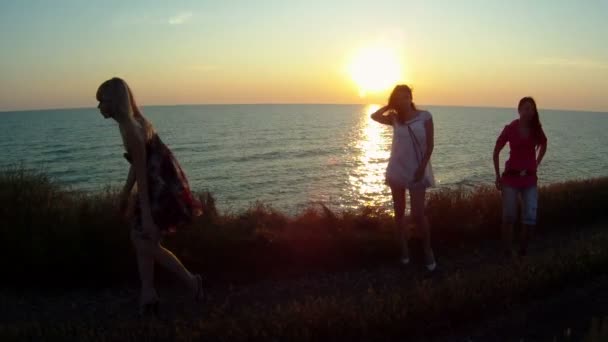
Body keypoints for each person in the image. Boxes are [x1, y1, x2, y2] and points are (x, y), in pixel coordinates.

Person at [96, 77, 204, 314]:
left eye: (101, 101)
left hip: (160, 188)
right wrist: (125, 193)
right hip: (160, 184)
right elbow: (137, 164)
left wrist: (146, 214)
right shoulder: (133, 124)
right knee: (144, 241)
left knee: (142, 238)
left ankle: (190, 282)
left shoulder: (131, 130)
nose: (99, 107)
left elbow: (143, 175)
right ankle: (149, 296)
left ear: (114, 102)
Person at [370, 85, 437, 272]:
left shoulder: (425, 116)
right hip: (397, 169)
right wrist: (388, 105)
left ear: (411, 97)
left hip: (417, 169)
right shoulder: (394, 119)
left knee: (418, 214)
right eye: (398, 98)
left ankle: (427, 250)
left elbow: (430, 145)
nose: (402, 100)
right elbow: (374, 116)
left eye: (405, 96)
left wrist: (422, 168)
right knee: (399, 213)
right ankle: (404, 250)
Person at [493, 97, 548, 257]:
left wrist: (537, 162)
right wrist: (497, 176)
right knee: (509, 216)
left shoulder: (536, 129)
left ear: (534, 112)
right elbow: (496, 150)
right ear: (519, 110)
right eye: (525, 108)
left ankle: (523, 251)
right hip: (510, 179)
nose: (528, 111)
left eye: (531, 108)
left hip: (529, 180)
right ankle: (507, 252)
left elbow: (544, 144)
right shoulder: (510, 128)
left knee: (530, 217)